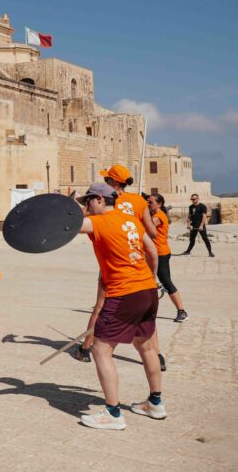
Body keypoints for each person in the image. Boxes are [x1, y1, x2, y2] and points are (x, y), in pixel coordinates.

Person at [75, 183, 164, 430]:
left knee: (100, 349)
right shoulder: (131, 221)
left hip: (124, 293)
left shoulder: (99, 222)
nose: (86, 206)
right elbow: (152, 250)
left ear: (100, 200)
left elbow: (67, 226)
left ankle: (113, 413)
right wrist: (152, 279)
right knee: (146, 346)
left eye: (88, 202)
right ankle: (155, 403)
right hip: (147, 289)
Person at [149, 194, 187, 323]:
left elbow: (146, 227)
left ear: (159, 204)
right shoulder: (152, 215)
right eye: (147, 202)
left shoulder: (158, 216)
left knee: (167, 282)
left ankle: (182, 311)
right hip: (152, 253)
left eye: (150, 202)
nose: (148, 204)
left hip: (161, 254)